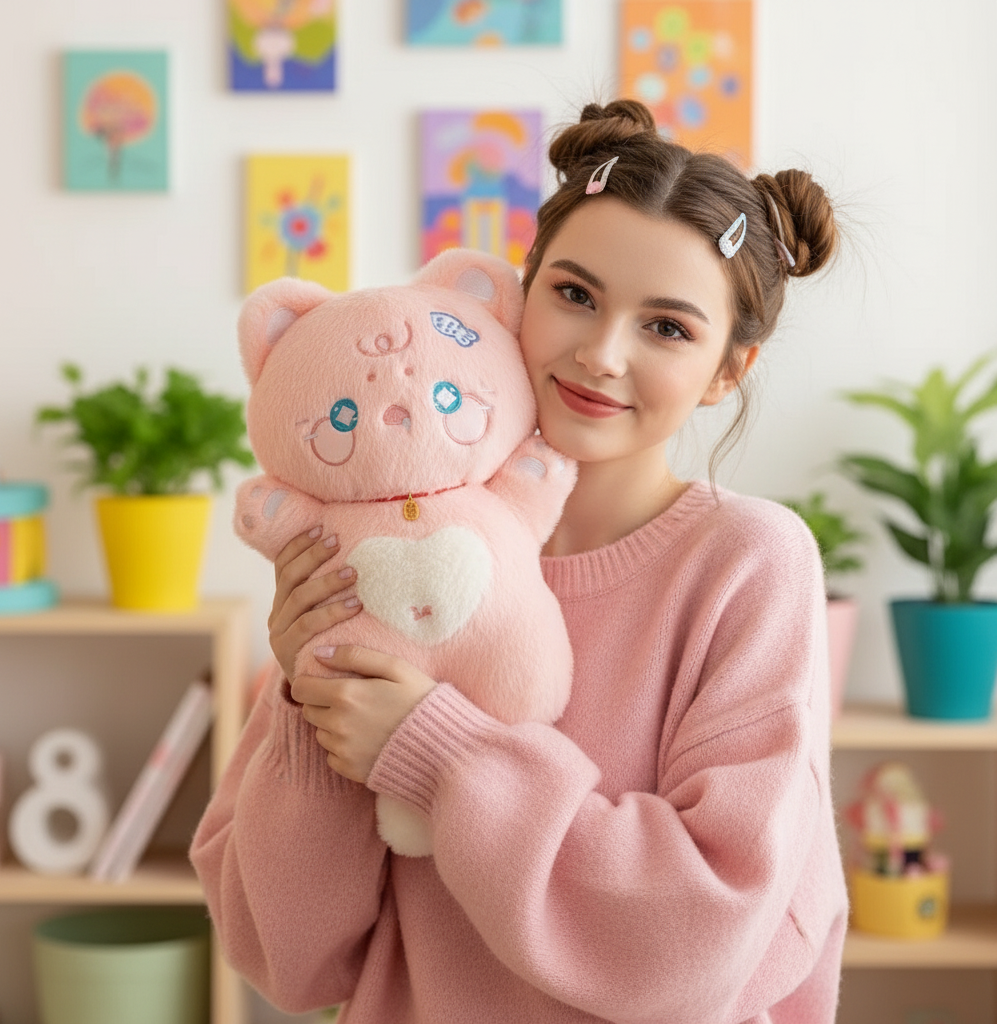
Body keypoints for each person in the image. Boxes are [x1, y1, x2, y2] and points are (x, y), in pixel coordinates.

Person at [190, 98, 847, 1023]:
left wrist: (438, 759)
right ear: (517, 293)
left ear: (729, 369)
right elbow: (284, 959)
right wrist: (311, 703)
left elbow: (704, 933)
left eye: (667, 328)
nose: (602, 355)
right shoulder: (375, 542)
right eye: (575, 295)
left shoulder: (748, 564)